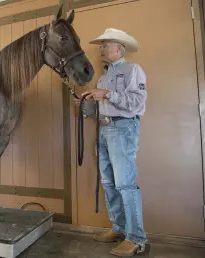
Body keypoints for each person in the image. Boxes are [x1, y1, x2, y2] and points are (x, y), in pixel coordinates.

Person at [80, 28, 148, 257]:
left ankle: (136, 238)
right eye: (101, 45)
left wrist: (106, 94)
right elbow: (103, 104)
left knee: (125, 184)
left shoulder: (133, 70)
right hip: (104, 129)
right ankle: (119, 229)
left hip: (123, 128)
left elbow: (136, 103)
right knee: (108, 182)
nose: (101, 48)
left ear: (119, 48)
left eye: (105, 44)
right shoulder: (104, 76)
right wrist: (87, 102)